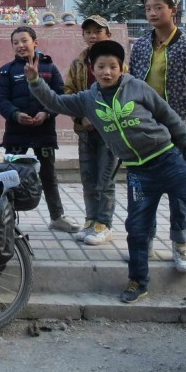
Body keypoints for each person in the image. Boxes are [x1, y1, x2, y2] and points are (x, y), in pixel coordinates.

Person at [23, 39, 186, 304]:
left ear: (121, 68)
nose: (106, 72)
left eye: (112, 66)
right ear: (93, 68)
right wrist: (35, 81)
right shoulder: (88, 99)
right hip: (139, 173)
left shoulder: (137, 87)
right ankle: (138, 281)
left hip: (167, 160)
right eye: (101, 66)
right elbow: (56, 102)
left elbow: (167, 115)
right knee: (136, 228)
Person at [128, 0, 186, 274]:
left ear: (173, 10)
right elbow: (130, 86)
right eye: (148, 8)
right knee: (144, 190)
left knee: (179, 192)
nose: (152, 13)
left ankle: (180, 244)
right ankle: (146, 242)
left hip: (178, 130)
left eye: (158, 8)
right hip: (144, 131)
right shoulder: (140, 46)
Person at [0, 26, 80, 233]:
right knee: (11, 175)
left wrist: (47, 113)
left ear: (35, 42)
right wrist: (15, 114)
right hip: (17, 132)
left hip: (44, 133)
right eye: (15, 42)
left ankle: (57, 216)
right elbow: (0, 99)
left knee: (49, 175)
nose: (20, 45)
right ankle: (6, 218)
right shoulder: (7, 71)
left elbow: (60, 94)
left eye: (24, 40)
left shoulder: (49, 67)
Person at [64, 16, 118, 245]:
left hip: (109, 131)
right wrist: (80, 116)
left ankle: (103, 224)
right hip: (85, 130)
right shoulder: (78, 63)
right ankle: (90, 220)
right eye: (88, 32)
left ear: (108, 34)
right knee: (88, 177)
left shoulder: (117, 63)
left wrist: (102, 118)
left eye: (98, 31)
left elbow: (123, 93)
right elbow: (69, 92)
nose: (93, 36)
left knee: (105, 180)